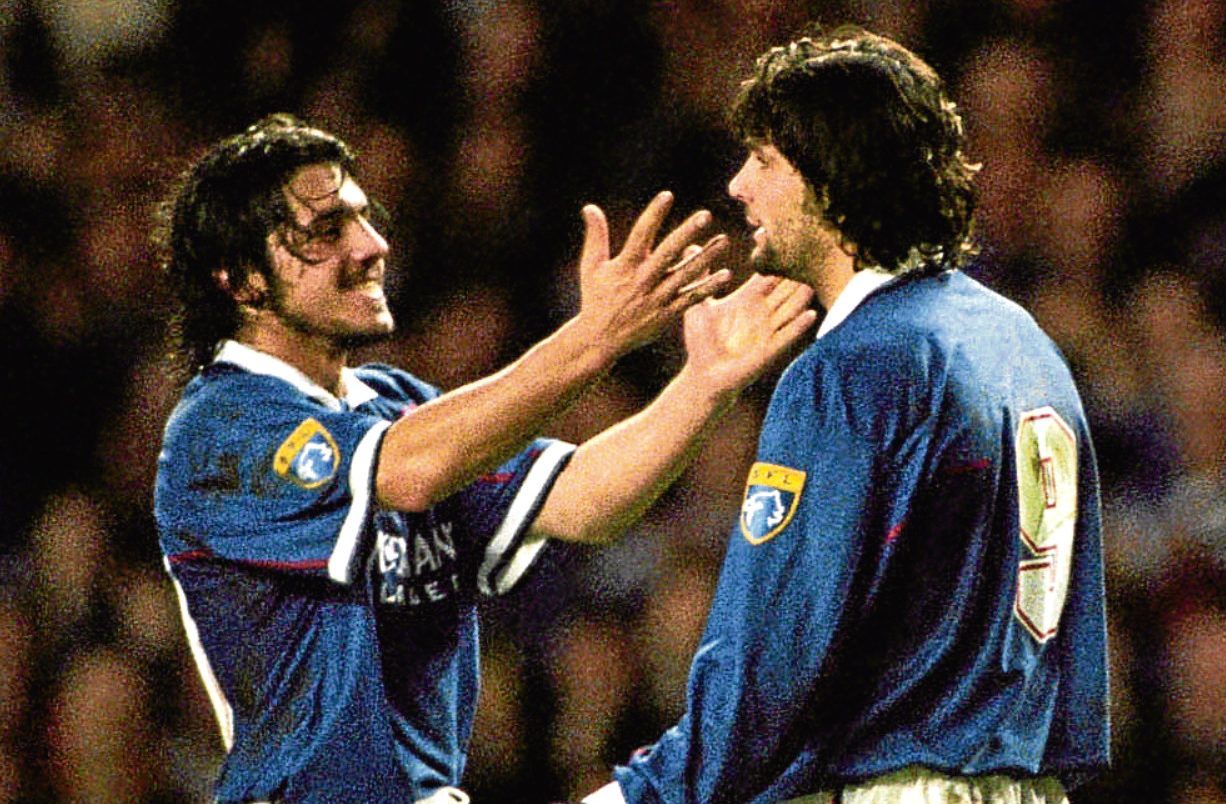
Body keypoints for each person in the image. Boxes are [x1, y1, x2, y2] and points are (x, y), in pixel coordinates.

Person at [152, 113, 816, 803]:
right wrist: (593, 339)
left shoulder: (394, 404)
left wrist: (703, 383)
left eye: (364, 218)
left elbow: (587, 500)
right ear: (241, 281)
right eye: (327, 232)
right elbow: (408, 475)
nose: (373, 244)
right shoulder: (219, 430)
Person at [583, 26, 1110, 804]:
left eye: (764, 159)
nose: (737, 185)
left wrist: (644, 793)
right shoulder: (1020, 340)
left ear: (831, 174)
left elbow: (773, 652)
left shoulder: (855, 369)